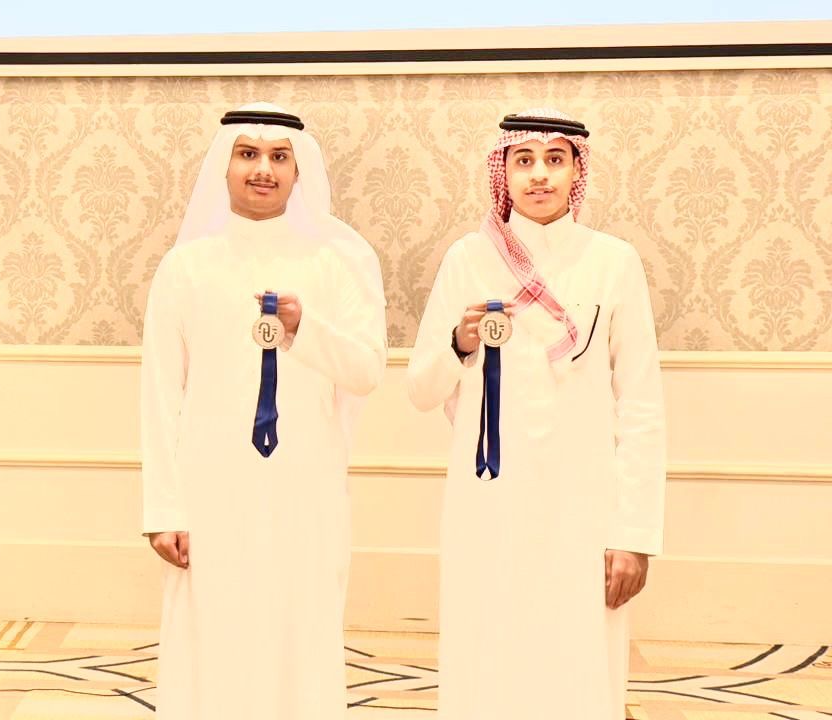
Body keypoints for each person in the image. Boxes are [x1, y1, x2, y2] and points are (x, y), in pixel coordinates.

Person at [406, 109, 666, 720]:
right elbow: (420, 390)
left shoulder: (613, 261)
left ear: (577, 170)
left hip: (583, 503)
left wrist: (634, 534)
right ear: (504, 171)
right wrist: (458, 344)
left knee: (577, 658)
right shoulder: (467, 258)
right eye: (524, 161)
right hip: (487, 500)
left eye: (555, 159)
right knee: (487, 647)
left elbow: (641, 402)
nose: (540, 175)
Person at [141, 103, 387, 720]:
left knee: (301, 630)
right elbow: (161, 393)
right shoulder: (186, 267)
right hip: (210, 489)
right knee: (212, 635)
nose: (263, 170)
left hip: (307, 487)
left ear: (299, 172)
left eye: (279, 157)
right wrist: (163, 508)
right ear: (222, 168)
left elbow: (366, 370)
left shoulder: (335, 263)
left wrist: (306, 330)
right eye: (247, 154)